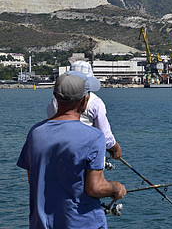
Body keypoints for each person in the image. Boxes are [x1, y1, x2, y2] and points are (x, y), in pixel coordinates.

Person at [17, 71, 126, 228]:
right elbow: (95, 188)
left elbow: (32, 179)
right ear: (84, 100)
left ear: (56, 97)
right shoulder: (94, 137)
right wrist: (116, 188)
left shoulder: (35, 133)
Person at [47, 61, 122, 160]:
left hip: (58, 153)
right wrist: (116, 149)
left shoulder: (56, 98)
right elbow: (105, 136)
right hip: (86, 156)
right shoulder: (95, 102)